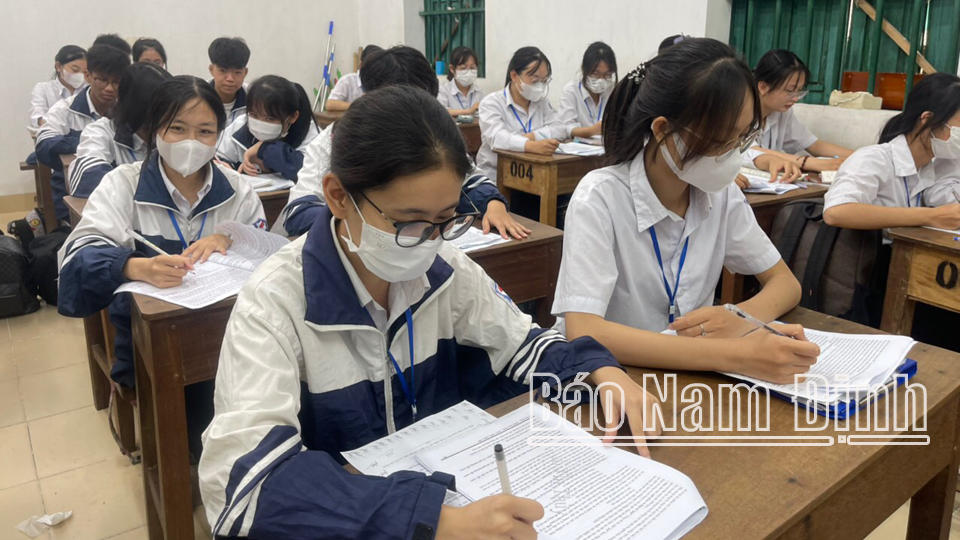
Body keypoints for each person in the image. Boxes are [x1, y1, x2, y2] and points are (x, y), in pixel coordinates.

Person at [199, 85, 660, 540]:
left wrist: (600, 371)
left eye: (446, 219)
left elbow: (524, 345)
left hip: (448, 488)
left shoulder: (445, 268)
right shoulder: (276, 301)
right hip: (355, 521)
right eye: (408, 222)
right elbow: (243, 488)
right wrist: (430, 521)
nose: (429, 241)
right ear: (338, 196)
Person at [553, 37, 820, 385]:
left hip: (687, 382)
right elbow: (584, 330)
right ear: (663, 130)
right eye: (722, 139)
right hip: (612, 381)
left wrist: (741, 317)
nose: (731, 156)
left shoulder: (721, 196)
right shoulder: (599, 198)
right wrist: (737, 354)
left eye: (742, 139)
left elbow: (785, 284)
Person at [57, 75, 266, 391]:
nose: (191, 142)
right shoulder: (123, 185)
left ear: (219, 136)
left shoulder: (238, 190)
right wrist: (134, 266)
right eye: (178, 128)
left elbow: (270, 257)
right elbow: (77, 261)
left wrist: (233, 239)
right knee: (195, 419)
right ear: (156, 129)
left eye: (205, 131)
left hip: (234, 335)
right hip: (149, 344)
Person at [280, 46, 529, 240]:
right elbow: (298, 212)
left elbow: (469, 179)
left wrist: (493, 204)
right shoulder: (334, 140)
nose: (413, 119)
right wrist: (365, 223)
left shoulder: (435, 132)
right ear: (369, 98)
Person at [823, 72, 960, 231]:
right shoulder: (874, 159)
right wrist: (930, 216)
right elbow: (836, 212)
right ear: (927, 119)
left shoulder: (929, 167)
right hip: (870, 253)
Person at [35, 44, 130, 221]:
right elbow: (43, 144)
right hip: (74, 194)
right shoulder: (66, 108)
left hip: (120, 198)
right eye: (102, 79)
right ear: (87, 76)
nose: (109, 88)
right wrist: (89, 142)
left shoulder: (128, 112)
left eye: (116, 82)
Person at [743, 49, 855, 182]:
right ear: (763, 87)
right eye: (790, 91)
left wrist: (860, 156)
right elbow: (752, 152)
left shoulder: (783, 112)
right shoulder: (740, 110)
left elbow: (814, 145)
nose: (795, 98)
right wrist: (808, 163)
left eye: (799, 90)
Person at [68, 62, 171, 197]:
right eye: (161, 108)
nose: (168, 116)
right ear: (136, 106)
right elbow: (87, 179)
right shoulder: (101, 132)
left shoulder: (172, 135)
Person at [476, 47, 570, 181]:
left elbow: (560, 128)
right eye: (535, 80)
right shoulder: (492, 103)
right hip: (496, 176)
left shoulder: (541, 103)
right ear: (514, 76)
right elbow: (497, 138)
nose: (540, 86)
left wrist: (531, 136)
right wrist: (532, 146)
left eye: (544, 81)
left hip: (534, 175)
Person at [216, 75, 320, 180]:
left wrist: (264, 149)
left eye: (270, 118)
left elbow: (309, 171)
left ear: (293, 117)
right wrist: (229, 167)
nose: (260, 123)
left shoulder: (311, 134)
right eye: (254, 115)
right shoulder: (241, 124)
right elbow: (218, 155)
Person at [559, 41, 617, 139]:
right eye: (596, 74)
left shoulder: (612, 89)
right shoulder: (571, 91)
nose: (601, 79)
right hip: (578, 150)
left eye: (607, 75)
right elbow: (566, 128)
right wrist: (591, 131)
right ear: (584, 69)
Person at [29, 45, 86, 131]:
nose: (80, 75)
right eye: (75, 70)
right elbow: (37, 120)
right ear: (58, 66)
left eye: (85, 72)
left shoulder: (89, 89)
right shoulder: (43, 89)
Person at [325, 44, 382, 111]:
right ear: (361, 65)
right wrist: (358, 105)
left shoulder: (383, 80)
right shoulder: (347, 81)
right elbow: (330, 104)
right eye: (370, 66)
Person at [208, 37, 250, 124]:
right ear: (211, 69)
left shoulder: (254, 98)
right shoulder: (197, 95)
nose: (230, 79)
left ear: (245, 73)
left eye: (237, 72)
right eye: (223, 71)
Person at [437, 46, 483, 117]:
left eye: (472, 68)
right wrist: (468, 111)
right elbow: (439, 111)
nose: (468, 72)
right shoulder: (443, 91)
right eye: (463, 68)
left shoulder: (479, 92)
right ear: (452, 69)